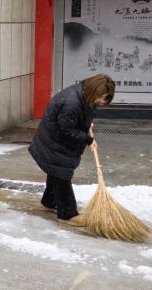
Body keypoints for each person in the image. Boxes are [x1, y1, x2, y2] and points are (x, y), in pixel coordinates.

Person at [28, 74, 115, 225]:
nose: (103, 102)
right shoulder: (72, 102)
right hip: (54, 143)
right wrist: (88, 139)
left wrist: (85, 124)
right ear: (93, 91)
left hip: (57, 141)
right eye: (102, 98)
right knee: (61, 174)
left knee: (55, 171)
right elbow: (67, 130)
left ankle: (49, 202)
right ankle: (67, 214)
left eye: (106, 98)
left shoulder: (85, 95)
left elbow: (78, 117)